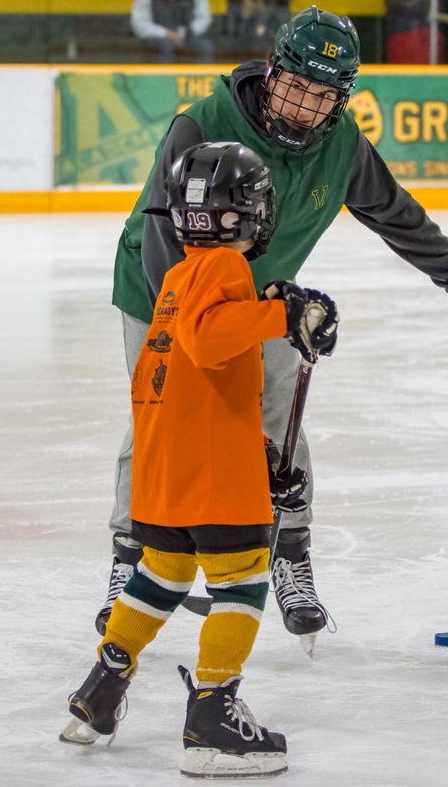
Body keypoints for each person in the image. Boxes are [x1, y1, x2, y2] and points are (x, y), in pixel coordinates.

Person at [95, 6, 448, 647]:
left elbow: (398, 218)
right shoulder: (204, 122)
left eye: (322, 95)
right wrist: (187, 319)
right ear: (273, 73)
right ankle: (129, 558)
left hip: (263, 301)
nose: (304, 106)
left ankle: (290, 550)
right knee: (160, 418)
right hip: (157, 288)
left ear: (343, 98)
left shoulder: (343, 147)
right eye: (295, 87)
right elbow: (164, 219)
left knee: (276, 417)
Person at [60, 140, 338, 780]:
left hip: (166, 472)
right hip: (210, 475)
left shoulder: (178, 275)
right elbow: (211, 343)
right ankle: (212, 716)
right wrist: (281, 313)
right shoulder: (225, 272)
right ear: (245, 213)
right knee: (240, 581)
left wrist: (263, 451)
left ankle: (101, 690)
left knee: (161, 575)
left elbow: (194, 376)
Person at [130, 0, 215, 64]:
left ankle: (202, 80)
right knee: (164, 46)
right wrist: (165, 33)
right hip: (158, 39)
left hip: (188, 37)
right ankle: (163, 80)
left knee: (205, 46)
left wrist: (183, 33)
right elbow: (139, 22)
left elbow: (204, 18)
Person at [224, 0, 291, 58]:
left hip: (269, 55)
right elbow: (231, 31)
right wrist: (249, 2)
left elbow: (282, 33)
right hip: (239, 54)